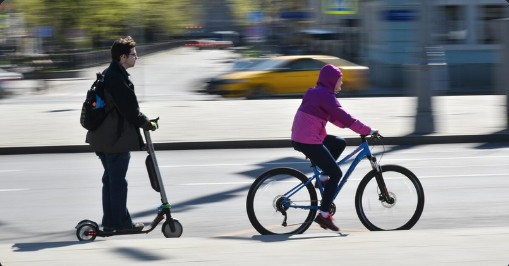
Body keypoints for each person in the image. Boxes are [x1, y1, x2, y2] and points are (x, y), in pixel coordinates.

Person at [291, 64, 378, 231]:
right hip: (308, 139)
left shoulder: (317, 92)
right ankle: (324, 215)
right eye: (340, 80)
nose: (342, 83)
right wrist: (368, 130)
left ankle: (323, 178)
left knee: (339, 142)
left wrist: (351, 126)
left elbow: (336, 119)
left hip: (303, 137)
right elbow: (345, 117)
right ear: (332, 81)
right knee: (336, 173)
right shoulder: (326, 96)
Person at [86, 36, 158, 232]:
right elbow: (130, 110)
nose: (137, 57)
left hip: (103, 137)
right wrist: (147, 123)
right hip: (114, 138)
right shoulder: (117, 78)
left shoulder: (111, 73)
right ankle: (121, 222)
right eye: (134, 54)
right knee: (117, 181)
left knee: (110, 180)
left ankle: (110, 221)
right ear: (123, 57)